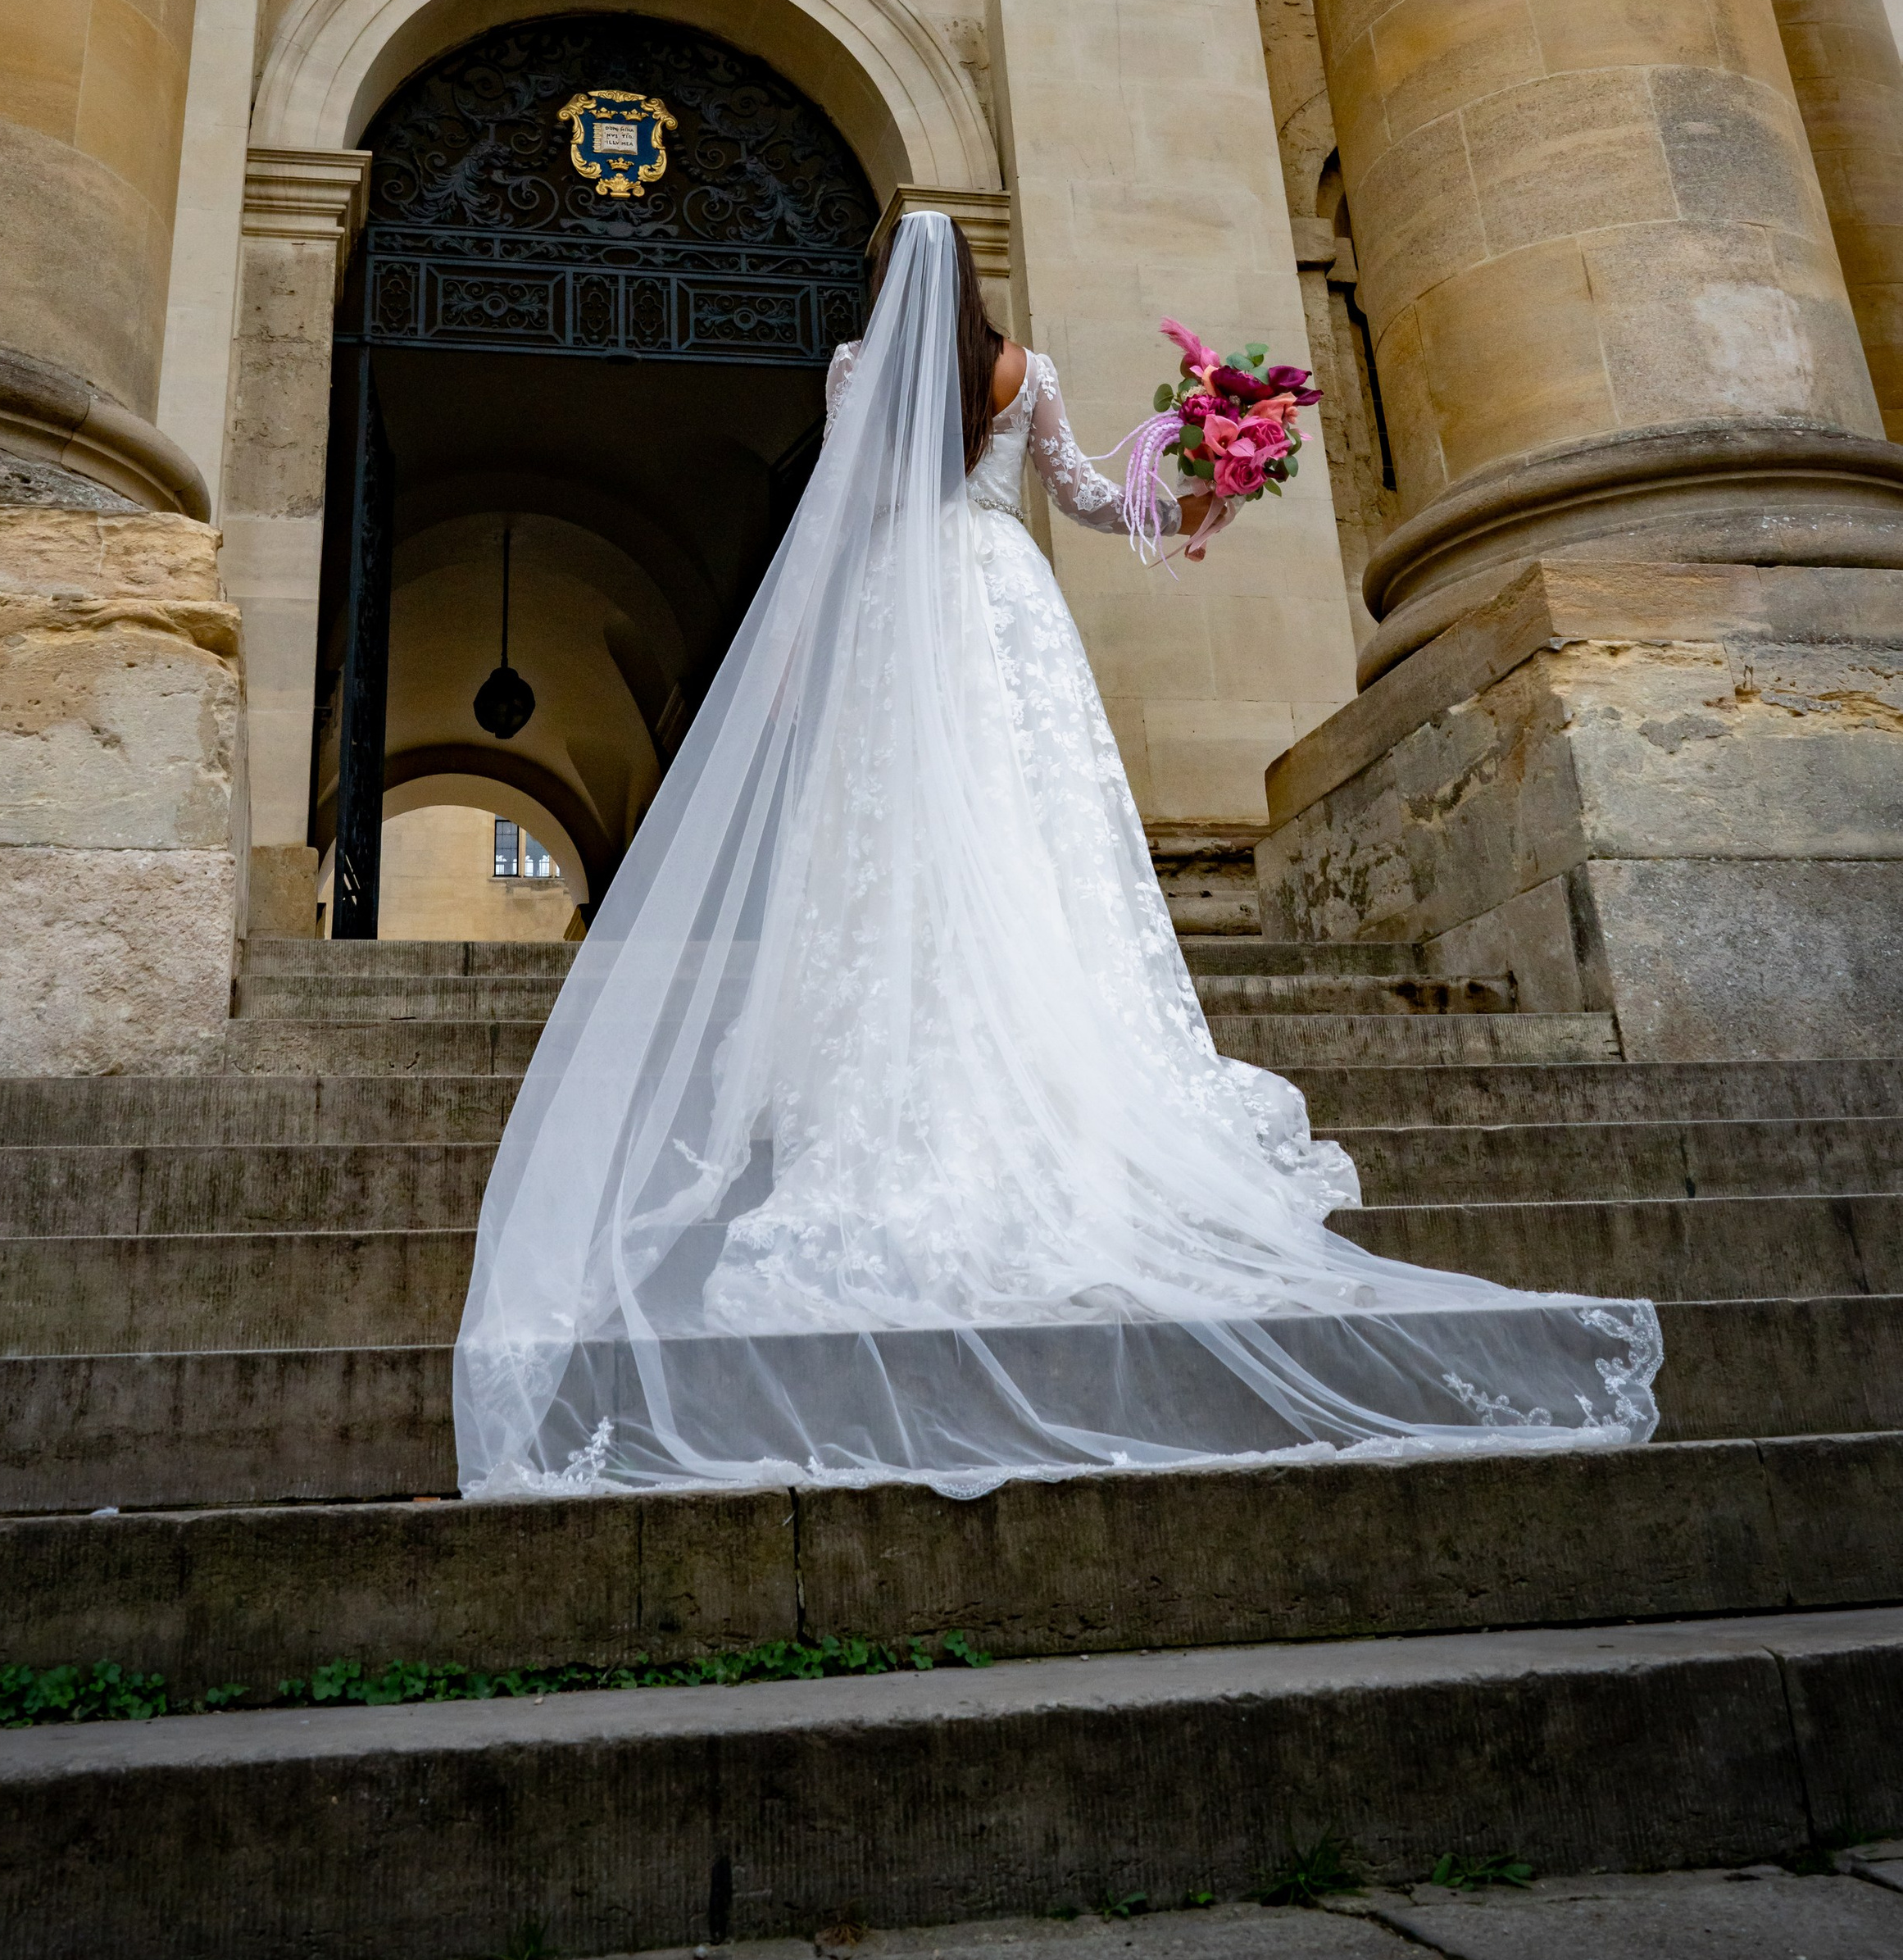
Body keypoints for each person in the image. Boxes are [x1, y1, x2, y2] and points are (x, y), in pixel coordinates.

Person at [454, 209, 1659, 1497]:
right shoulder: (1022, 370)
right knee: (1028, 837)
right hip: (1002, 602)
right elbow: (1088, 496)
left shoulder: (854, 370)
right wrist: (1205, 486)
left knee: (899, 841)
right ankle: (1041, 1056)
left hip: (895, 609)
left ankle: (908, 1059)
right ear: (974, 279)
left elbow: (841, 510)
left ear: (880, 284)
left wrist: (791, 665)